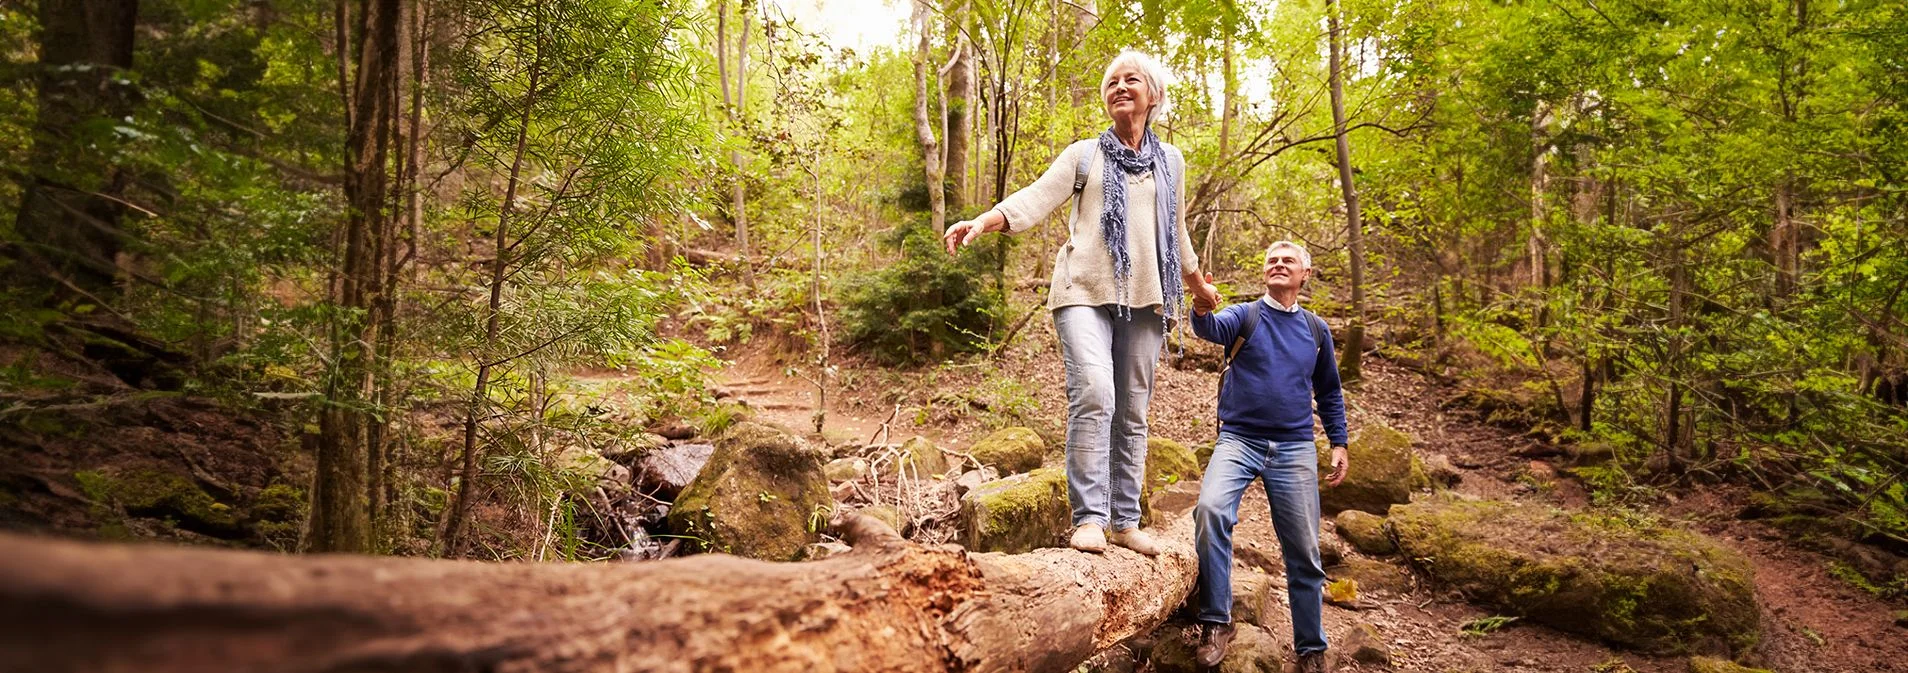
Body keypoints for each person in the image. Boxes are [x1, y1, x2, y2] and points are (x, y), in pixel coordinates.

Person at [943, 50, 1220, 555]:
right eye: (1111, 81)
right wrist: (982, 221)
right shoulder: (1084, 155)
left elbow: (1174, 230)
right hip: (1082, 292)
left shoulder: (1171, 162)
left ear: (1152, 94)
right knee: (1095, 393)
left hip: (1146, 298)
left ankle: (1124, 520)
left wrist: (1198, 284)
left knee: (1133, 412)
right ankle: (1089, 518)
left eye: (1130, 79)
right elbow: (1034, 198)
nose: (1118, 87)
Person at [1185, 241, 1349, 671]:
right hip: (1239, 439)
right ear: (1265, 274)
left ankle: (1311, 647)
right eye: (1272, 261)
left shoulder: (1316, 330)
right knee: (1211, 510)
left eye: (1287, 260)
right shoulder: (1246, 315)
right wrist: (1202, 306)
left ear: (1304, 275)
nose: (1278, 265)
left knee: (1303, 550)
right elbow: (1210, 329)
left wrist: (1339, 442)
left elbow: (1329, 391)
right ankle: (1216, 621)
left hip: (1295, 448)